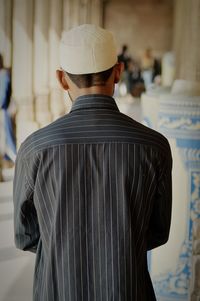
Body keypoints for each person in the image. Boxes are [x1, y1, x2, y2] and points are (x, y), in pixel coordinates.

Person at [13, 24, 172, 301]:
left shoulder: (35, 148)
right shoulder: (153, 146)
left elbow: (25, 235)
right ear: (118, 72)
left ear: (62, 79)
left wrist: (63, 245)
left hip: (57, 290)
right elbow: (157, 231)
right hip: (129, 290)